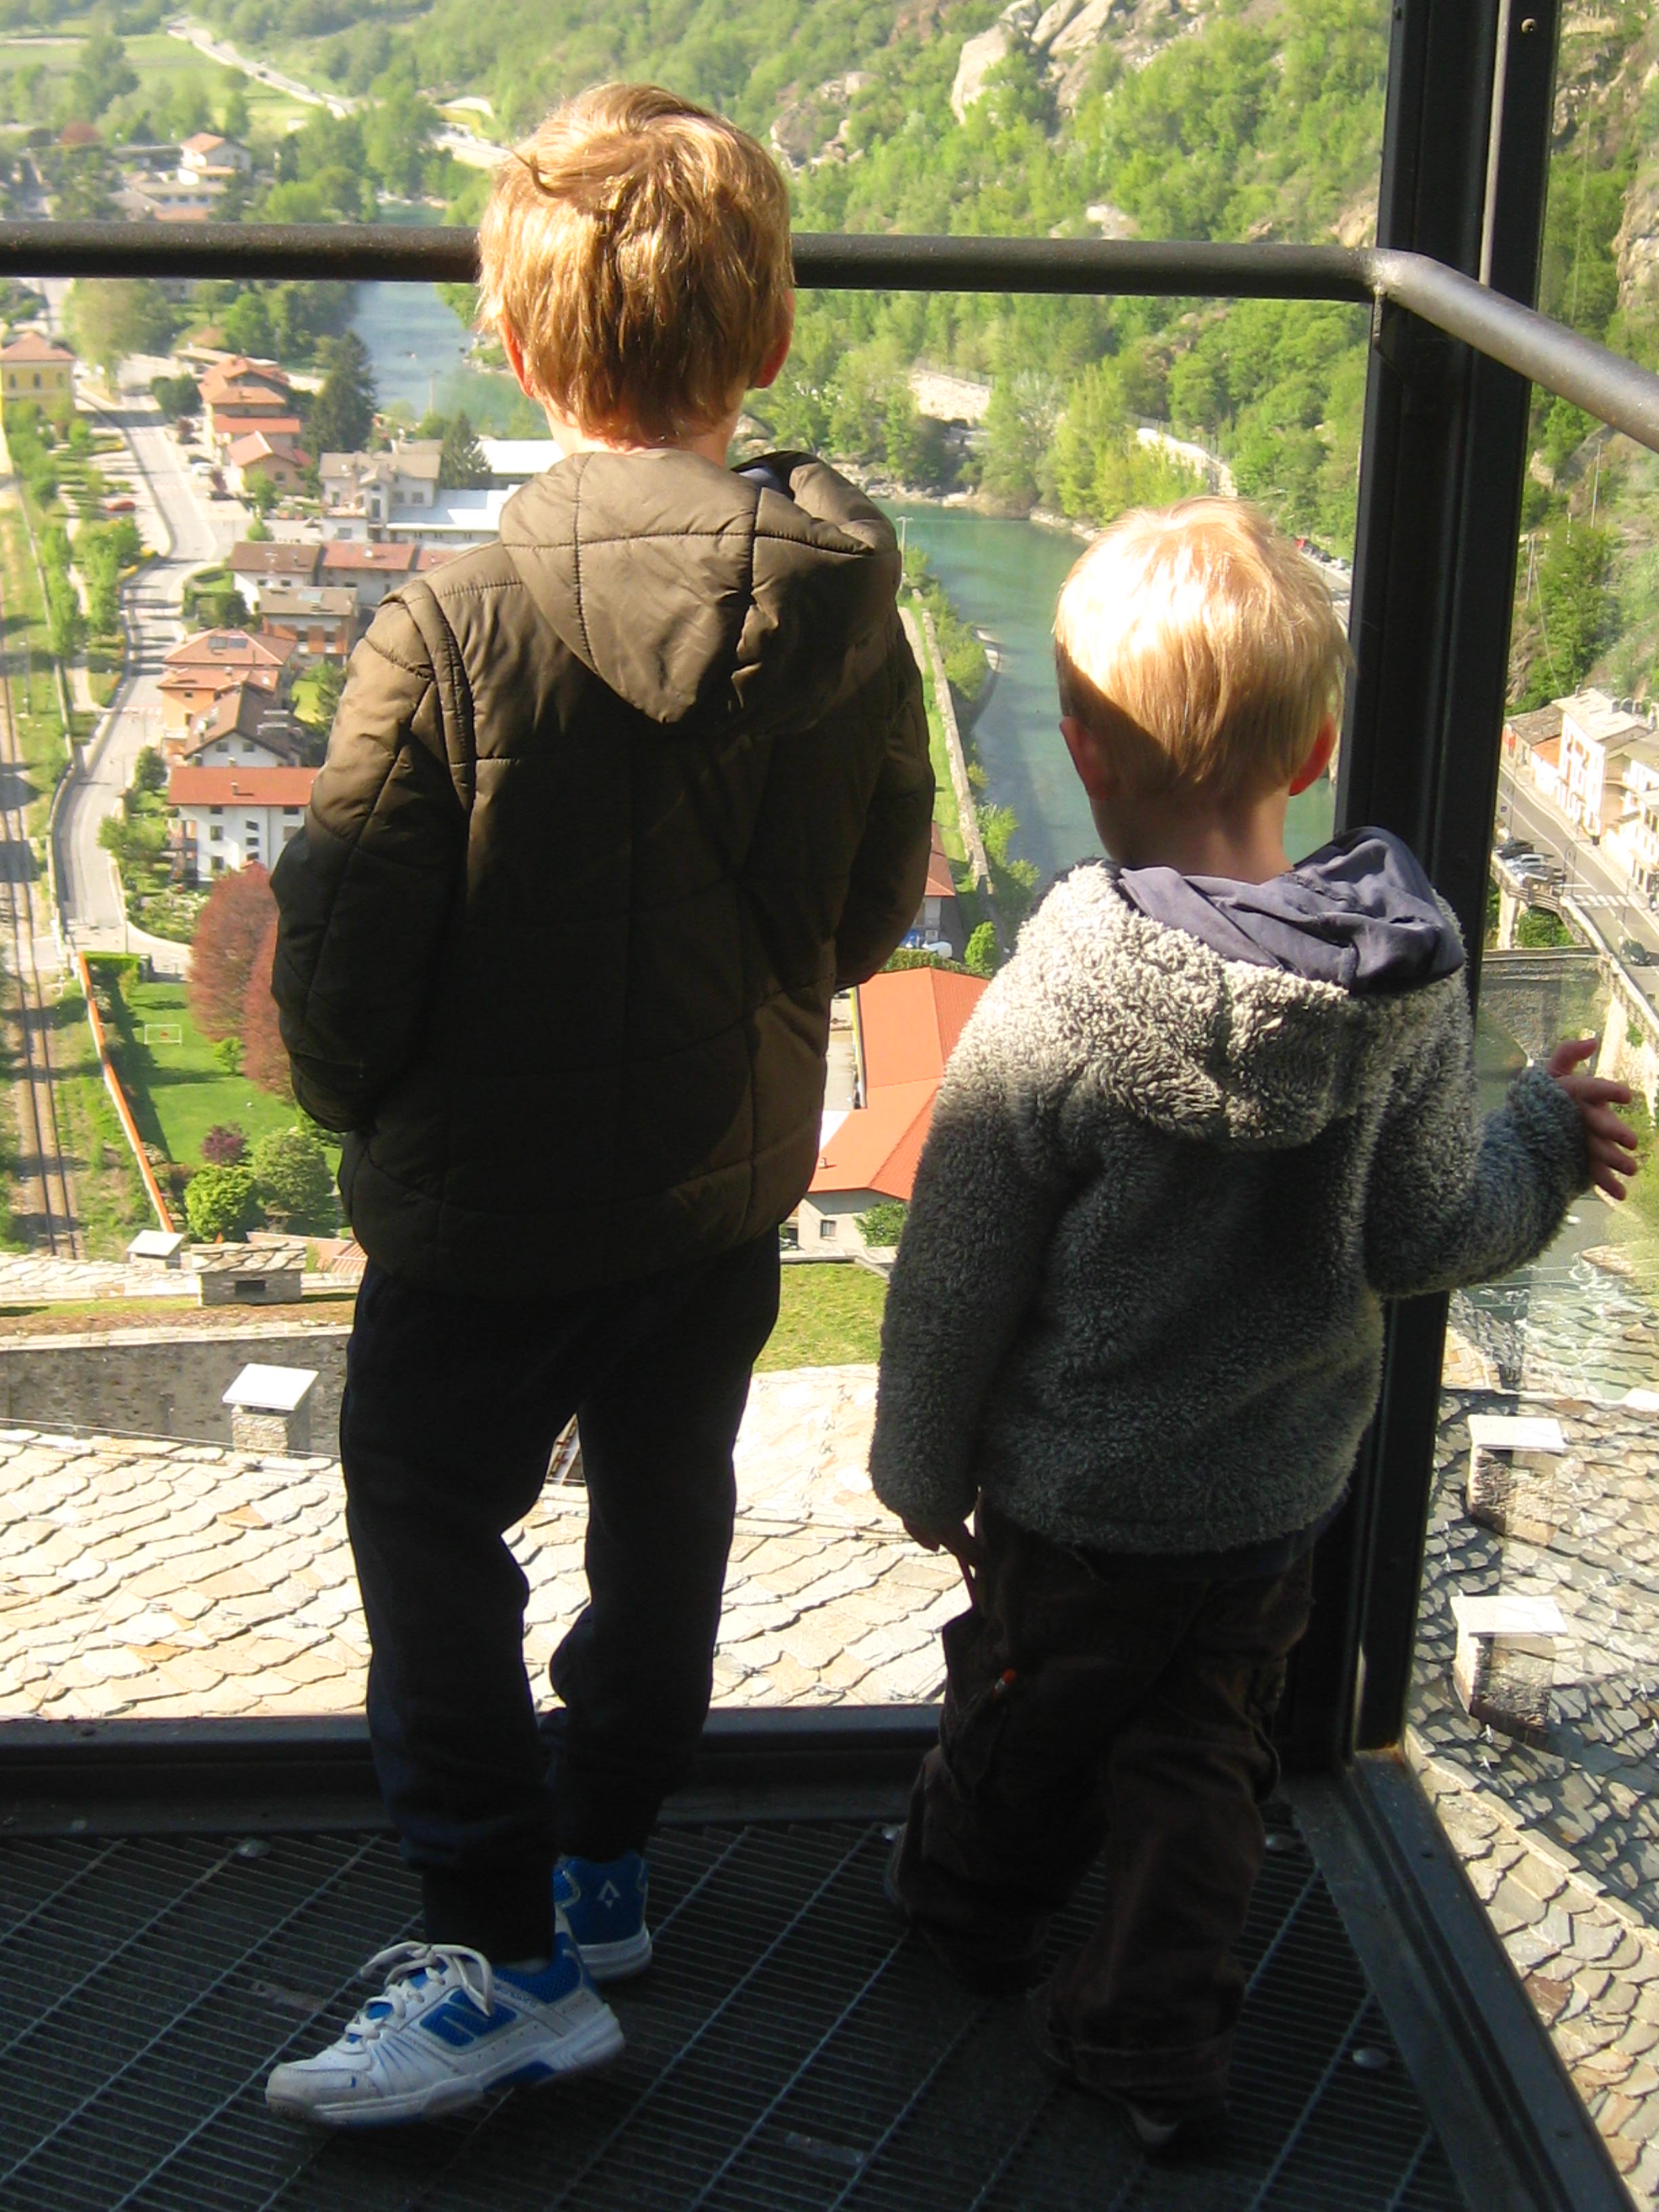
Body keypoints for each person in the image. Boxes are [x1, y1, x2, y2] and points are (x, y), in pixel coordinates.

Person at [264, 83, 933, 2127]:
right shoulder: (851, 606)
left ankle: (504, 1956)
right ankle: (606, 1859)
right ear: (769, 336)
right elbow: (871, 911)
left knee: (432, 1528)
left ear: (514, 344)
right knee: (667, 1512)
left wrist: (361, 1113)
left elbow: (342, 967)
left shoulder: (449, 630)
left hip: (483, 1213)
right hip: (720, 1189)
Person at [868, 497, 1636, 2156]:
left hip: (1077, 1502)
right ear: (1318, 752)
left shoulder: (1062, 989)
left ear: (1082, 750)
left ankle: (966, 1909)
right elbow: (1428, 1234)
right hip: (1271, 1498)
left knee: (1024, 1708)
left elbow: (957, 1263)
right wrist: (1540, 1143)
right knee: (1200, 1760)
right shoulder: (1404, 990)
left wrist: (919, 1464)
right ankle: (1153, 2040)